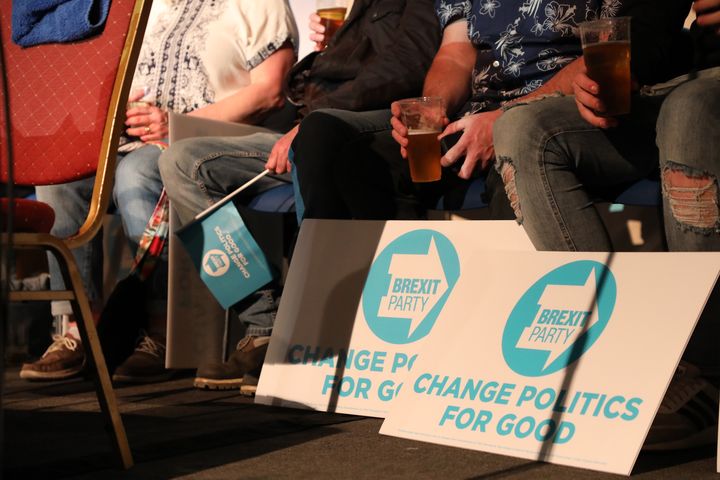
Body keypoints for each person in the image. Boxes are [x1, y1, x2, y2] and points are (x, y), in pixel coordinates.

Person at [158, 0, 440, 393]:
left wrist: (314, 118)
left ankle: (307, 337)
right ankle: (263, 323)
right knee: (181, 161)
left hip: (363, 129)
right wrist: (331, 49)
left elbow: (408, 65)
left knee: (317, 138)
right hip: (306, 124)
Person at [21, 0, 299, 382]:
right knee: (61, 177)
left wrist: (177, 124)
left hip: (210, 139)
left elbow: (269, 93)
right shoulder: (148, 5)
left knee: (138, 174)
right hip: (136, 139)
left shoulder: (256, 4)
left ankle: (160, 328)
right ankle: (76, 327)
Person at [492, 0, 719, 449]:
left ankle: (706, 372)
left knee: (689, 109)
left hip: (700, 94)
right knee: (523, 128)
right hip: (679, 78)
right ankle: (624, 365)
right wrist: (618, 68)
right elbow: (650, 21)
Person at [291, 0, 622, 224]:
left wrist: (507, 116)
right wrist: (433, 109)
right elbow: (455, 54)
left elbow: (613, 48)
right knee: (358, 159)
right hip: (475, 112)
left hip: (554, 113)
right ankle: (391, 304)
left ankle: (512, 314)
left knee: (515, 154)